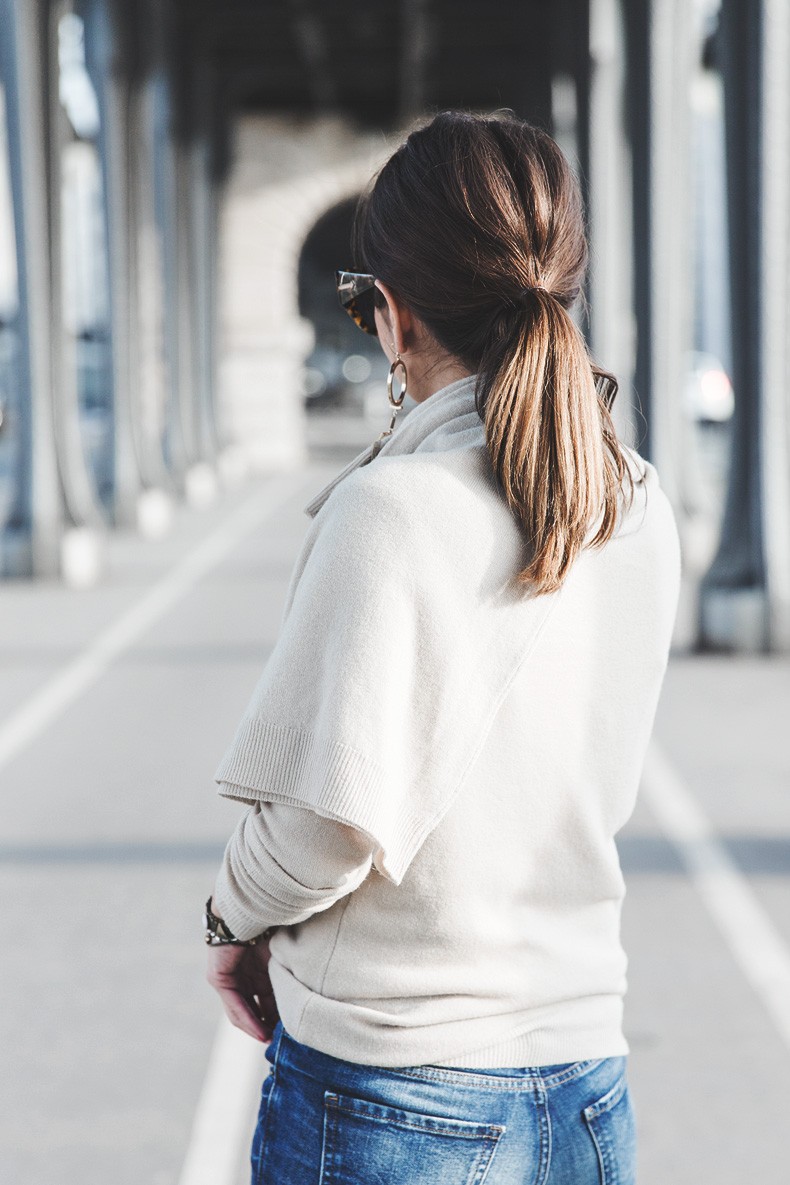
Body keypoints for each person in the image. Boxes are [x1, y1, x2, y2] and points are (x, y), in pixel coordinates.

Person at [204, 109, 681, 1185]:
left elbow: (325, 826)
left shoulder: (394, 512)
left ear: (394, 311)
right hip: (585, 1085)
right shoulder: (638, 501)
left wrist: (226, 916)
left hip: (395, 1095)